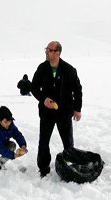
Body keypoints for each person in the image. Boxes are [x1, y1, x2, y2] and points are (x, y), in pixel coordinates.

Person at [31, 41, 82, 177]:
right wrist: (44, 99)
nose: (47, 52)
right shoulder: (42, 68)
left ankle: (71, 166)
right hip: (47, 112)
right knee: (43, 141)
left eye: (49, 50)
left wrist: (77, 109)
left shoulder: (69, 70)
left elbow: (77, 90)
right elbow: (34, 87)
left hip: (64, 112)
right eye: (46, 49)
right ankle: (43, 168)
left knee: (68, 143)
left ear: (57, 52)